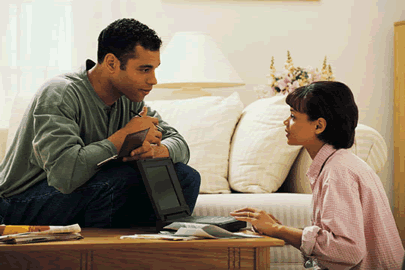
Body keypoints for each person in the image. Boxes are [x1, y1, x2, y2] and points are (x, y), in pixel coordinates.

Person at [0, 18, 201, 228]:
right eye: (144, 69)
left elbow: (179, 143)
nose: (153, 80)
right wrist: (120, 140)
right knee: (118, 179)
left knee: (185, 176)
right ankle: (104, 255)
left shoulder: (130, 98)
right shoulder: (61, 93)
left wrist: (158, 152)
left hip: (86, 191)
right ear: (112, 63)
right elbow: (64, 177)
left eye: (154, 69)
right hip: (19, 203)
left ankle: (152, 247)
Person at [231, 81, 404, 269]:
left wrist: (278, 229)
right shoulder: (338, 163)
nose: (285, 122)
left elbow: (347, 250)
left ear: (319, 126)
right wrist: (278, 230)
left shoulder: (338, 172)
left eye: (293, 116)